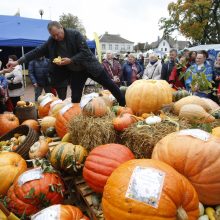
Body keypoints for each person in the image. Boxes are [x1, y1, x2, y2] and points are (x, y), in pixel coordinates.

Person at [6, 21, 125, 106]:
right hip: (76, 72)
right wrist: (17, 61)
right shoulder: (52, 41)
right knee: (75, 97)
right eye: (53, 35)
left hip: (91, 67)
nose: (56, 37)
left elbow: (85, 52)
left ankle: (123, 104)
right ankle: (77, 117)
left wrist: (71, 60)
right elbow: (37, 52)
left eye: (58, 34)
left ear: (61, 27)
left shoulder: (75, 34)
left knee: (110, 85)